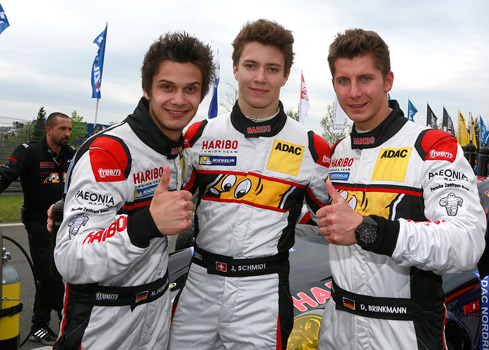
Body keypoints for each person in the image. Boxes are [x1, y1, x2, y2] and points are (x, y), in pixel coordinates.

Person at [315, 29, 487, 350]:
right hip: (337, 327)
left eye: (365, 79)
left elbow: (467, 244)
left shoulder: (431, 145)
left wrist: (371, 231)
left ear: (388, 80)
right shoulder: (336, 153)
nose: (354, 93)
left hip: (404, 332)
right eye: (343, 81)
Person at [168, 19, 331, 349]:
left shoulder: (312, 148)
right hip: (199, 282)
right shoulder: (199, 136)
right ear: (234, 68)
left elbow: (342, 216)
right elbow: (154, 195)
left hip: (263, 292)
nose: (260, 78)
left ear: (286, 75)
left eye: (272, 69)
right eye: (251, 65)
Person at [52, 32, 214, 350]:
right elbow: (71, 258)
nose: (179, 100)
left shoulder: (181, 152)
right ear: (147, 89)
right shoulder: (110, 151)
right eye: (167, 87)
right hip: (103, 316)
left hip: (156, 307)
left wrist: (62, 208)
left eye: (191, 89)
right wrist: (146, 224)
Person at [0, 112, 74, 345]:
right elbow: (5, 174)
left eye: (70, 129)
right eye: (63, 129)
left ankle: (40, 325)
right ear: (49, 130)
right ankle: (71, 319)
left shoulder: (72, 155)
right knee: (50, 276)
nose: (67, 134)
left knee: (58, 274)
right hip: (39, 224)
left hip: (67, 225)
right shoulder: (29, 151)